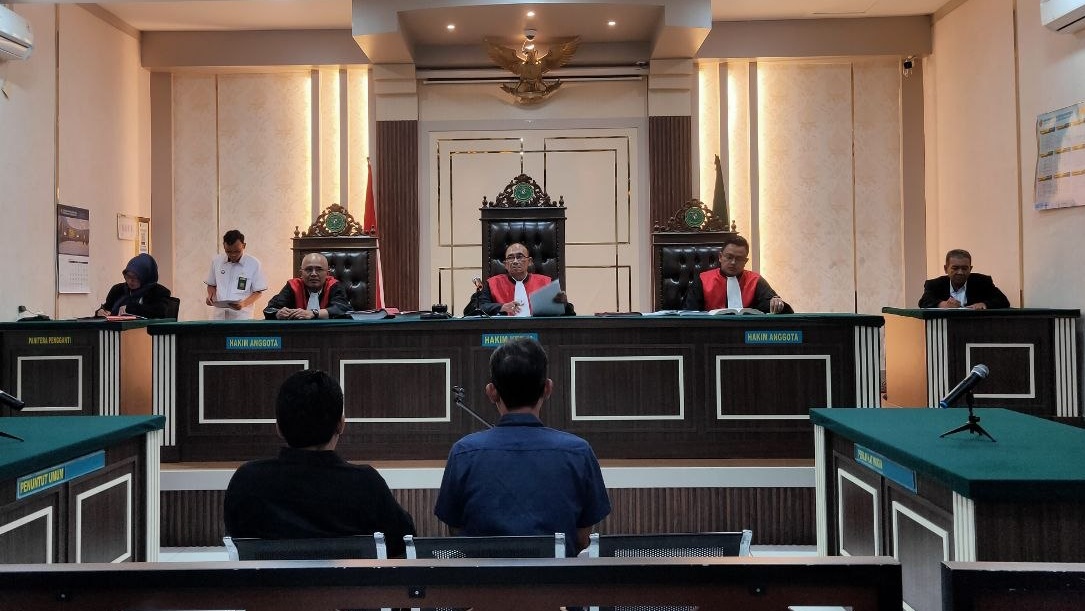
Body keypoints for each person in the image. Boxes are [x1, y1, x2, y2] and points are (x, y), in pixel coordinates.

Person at [434, 337, 611, 557]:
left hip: (482, 578)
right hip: (558, 578)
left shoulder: (463, 453)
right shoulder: (579, 452)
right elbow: (582, 539)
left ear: (491, 392)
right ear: (548, 388)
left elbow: (456, 531)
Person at [223, 369, 416, 557]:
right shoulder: (367, 484)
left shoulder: (247, 481)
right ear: (341, 425)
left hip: (270, 581)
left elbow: (238, 542)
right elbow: (406, 545)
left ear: (279, 427)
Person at [681, 235, 792, 313]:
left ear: (745, 261)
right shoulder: (703, 279)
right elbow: (690, 313)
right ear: (720, 257)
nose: (733, 262)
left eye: (739, 259)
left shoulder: (755, 280)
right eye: (729, 257)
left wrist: (776, 302)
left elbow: (771, 305)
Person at [464, 242, 574, 316]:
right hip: (503, 334)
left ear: (529, 261)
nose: (515, 261)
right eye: (510, 258)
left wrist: (564, 304)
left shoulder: (546, 282)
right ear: (505, 264)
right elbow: (473, 309)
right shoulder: (492, 284)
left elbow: (568, 314)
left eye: (520, 256)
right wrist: (502, 307)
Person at [264, 253, 352, 319]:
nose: (313, 274)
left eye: (319, 269)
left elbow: (343, 309)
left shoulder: (334, 285)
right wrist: (278, 313)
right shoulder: (293, 286)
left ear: (327, 273)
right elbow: (270, 309)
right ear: (301, 273)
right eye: (308, 269)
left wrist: (314, 313)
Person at [205, 229, 268, 320]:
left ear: (244, 246)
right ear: (224, 246)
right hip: (219, 316)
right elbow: (211, 285)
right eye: (228, 251)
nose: (233, 255)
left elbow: (258, 292)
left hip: (241, 317)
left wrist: (243, 304)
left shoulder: (254, 263)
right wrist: (210, 297)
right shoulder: (216, 261)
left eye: (237, 251)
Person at [919, 249, 1011, 310]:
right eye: (955, 268)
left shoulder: (982, 282)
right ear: (946, 269)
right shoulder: (934, 284)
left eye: (964, 268)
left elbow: (1003, 301)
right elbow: (924, 301)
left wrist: (984, 304)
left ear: (970, 269)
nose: (960, 272)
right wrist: (942, 304)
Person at [95, 253, 173, 318]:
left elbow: (160, 313)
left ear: (145, 276)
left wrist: (131, 308)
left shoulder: (159, 292)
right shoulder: (118, 289)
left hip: (145, 331)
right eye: (128, 276)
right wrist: (100, 312)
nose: (130, 281)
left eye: (135, 277)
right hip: (116, 330)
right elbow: (107, 308)